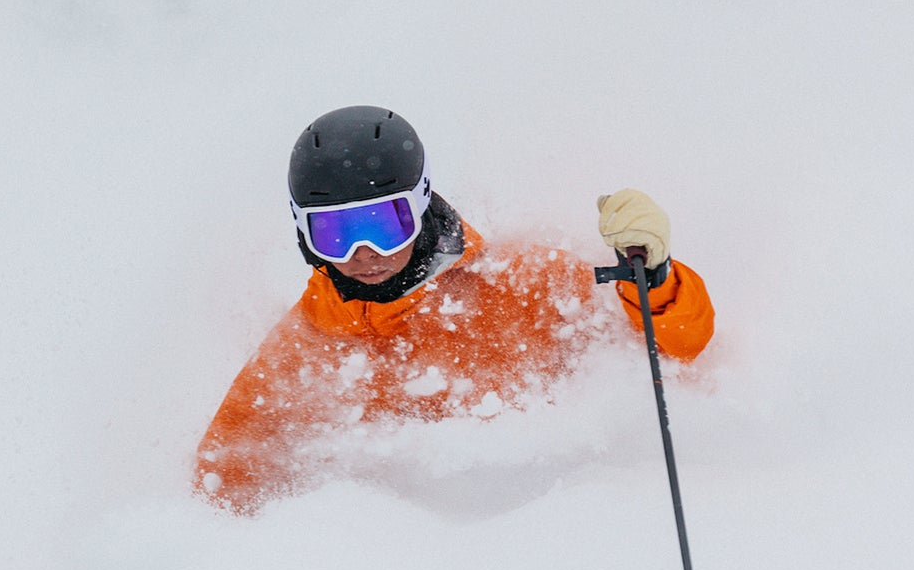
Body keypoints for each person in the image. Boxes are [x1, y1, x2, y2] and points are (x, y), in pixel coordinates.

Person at [194, 105, 714, 513]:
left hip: (555, 523)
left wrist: (655, 276)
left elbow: (677, 346)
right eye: (334, 232)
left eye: (384, 223)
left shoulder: (513, 283)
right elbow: (227, 468)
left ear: (421, 205)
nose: (364, 253)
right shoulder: (305, 349)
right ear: (304, 234)